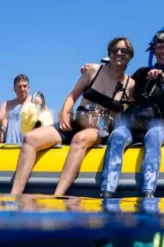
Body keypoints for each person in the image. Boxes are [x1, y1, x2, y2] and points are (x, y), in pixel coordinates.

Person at [9, 38, 133, 196]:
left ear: (130, 56)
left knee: (80, 139)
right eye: (115, 50)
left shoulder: (130, 85)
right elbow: (72, 97)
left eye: (124, 51)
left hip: (98, 131)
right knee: (30, 138)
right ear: (109, 53)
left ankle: (58, 195)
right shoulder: (93, 70)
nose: (119, 53)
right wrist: (65, 112)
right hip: (74, 123)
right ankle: (14, 195)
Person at [100, 30, 164, 198]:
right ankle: (106, 192)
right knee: (117, 135)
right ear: (153, 50)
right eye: (160, 47)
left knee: (153, 135)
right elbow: (122, 88)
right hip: (133, 125)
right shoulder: (141, 73)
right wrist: (102, 70)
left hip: (159, 126)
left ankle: (148, 193)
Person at [0, 74, 30, 144]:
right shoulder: (7, 104)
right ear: (14, 89)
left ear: (28, 88)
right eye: (19, 86)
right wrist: (4, 120)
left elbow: (47, 121)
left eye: (25, 86)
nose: (22, 89)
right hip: (10, 144)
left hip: (30, 144)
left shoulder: (36, 101)